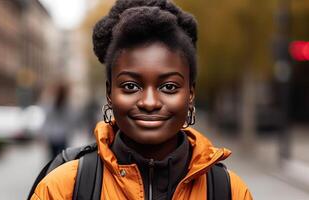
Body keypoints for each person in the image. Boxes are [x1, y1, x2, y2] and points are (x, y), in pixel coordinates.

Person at [30, 0, 253, 199]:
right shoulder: (63, 188)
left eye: (169, 87)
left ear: (191, 93)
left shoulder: (230, 191)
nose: (149, 102)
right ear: (110, 92)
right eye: (130, 86)